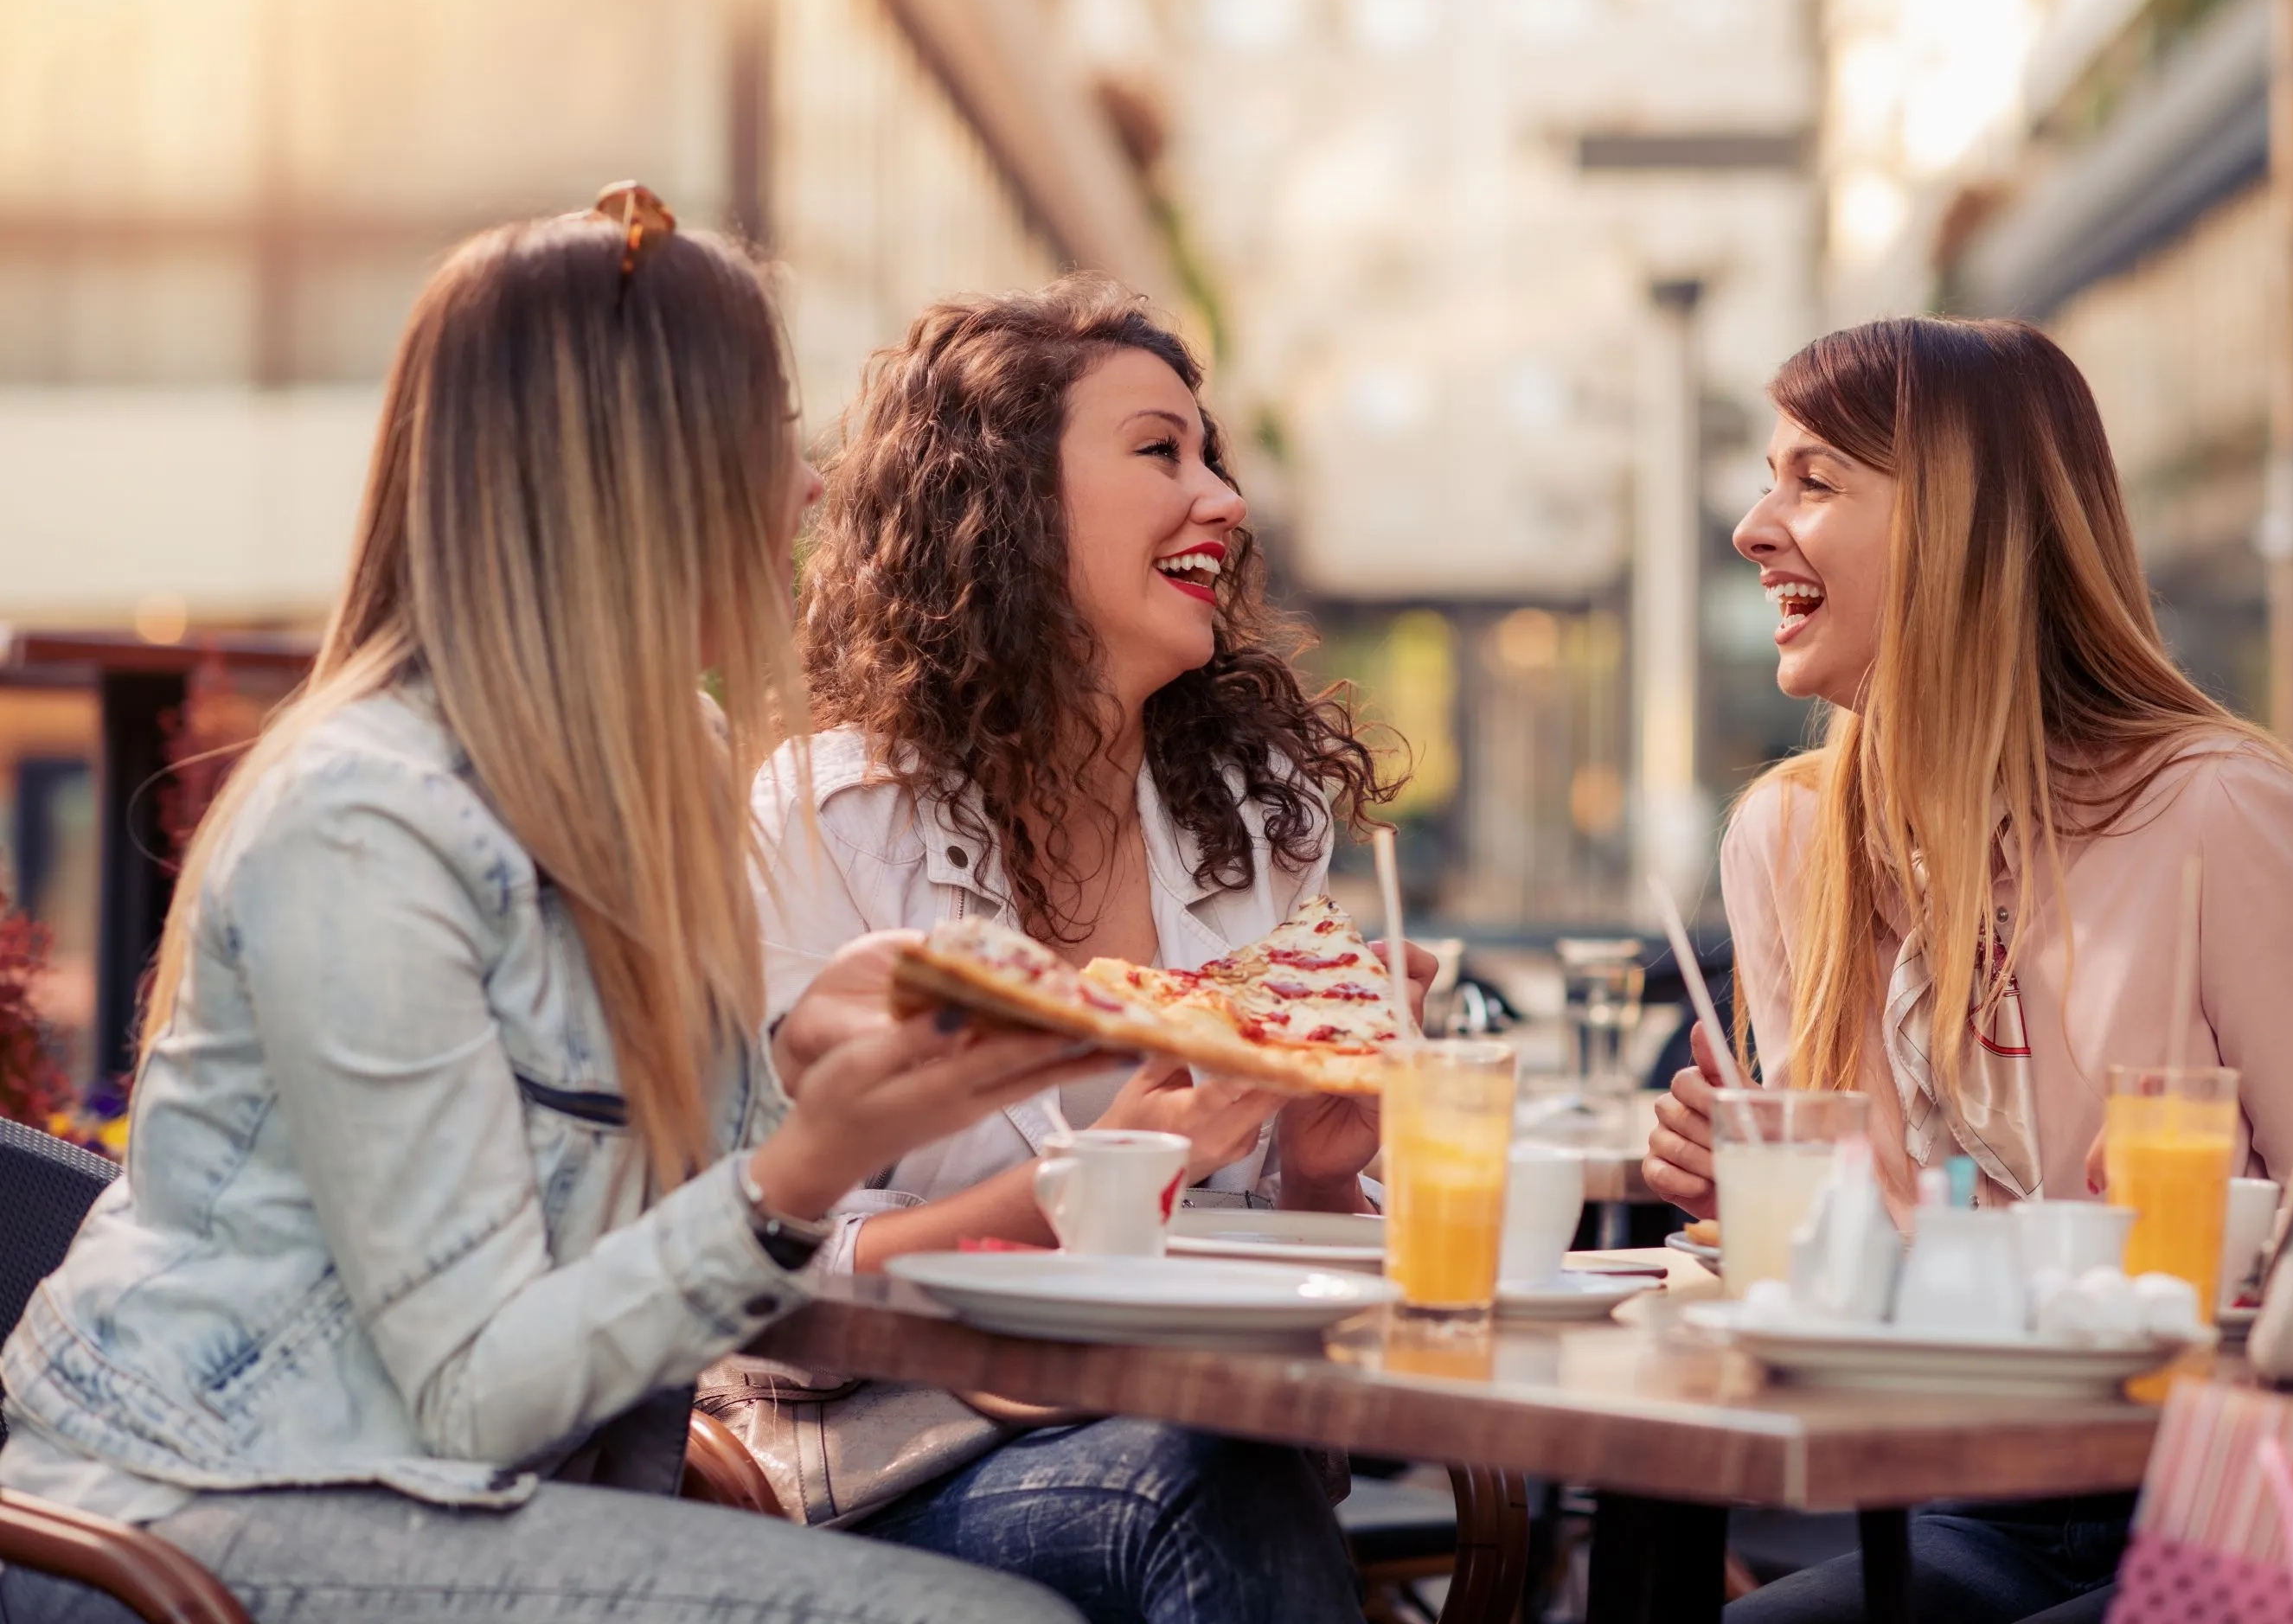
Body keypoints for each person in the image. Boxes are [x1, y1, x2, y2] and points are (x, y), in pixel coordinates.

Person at [0, 189, 1116, 1624]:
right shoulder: (363, 819)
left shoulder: (672, 764)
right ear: (638, 482)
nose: (813, 487)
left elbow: (629, 1213)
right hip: (205, 1515)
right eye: (769, 431)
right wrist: (815, 1161)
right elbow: (479, 1391)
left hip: (464, 1499)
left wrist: (804, 1071)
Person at [1641, 317, 2293, 1624]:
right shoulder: (1792, 839)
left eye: (1815, 481)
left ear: (1964, 525)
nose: (1758, 527)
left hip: (2231, 1509)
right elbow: (1862, 1285)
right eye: (1769, 478)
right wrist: (1766, 1195)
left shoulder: (2224, 813)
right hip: (1950, 1503)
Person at [703, 277, 1406, 1624]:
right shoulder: (822, 822)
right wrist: (1099, 1183)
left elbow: (1297, 1336)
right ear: (1011, 502)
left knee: (1230, 1480)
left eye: (1214, 457)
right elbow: (760, 1282)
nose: (1223, 500)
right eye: (1161, 452)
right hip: (894, 1469)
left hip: (1210, 1435)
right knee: (1209, 1493)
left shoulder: (1260, 825)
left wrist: (1324, 1181)